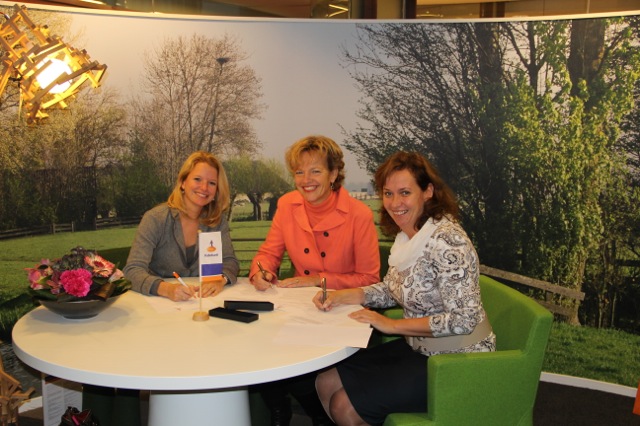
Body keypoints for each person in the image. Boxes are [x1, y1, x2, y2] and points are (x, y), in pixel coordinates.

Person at [314, 151, 496, 426]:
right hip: (420, 348)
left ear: (428, 192)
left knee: (344, 406)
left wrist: (392, 325)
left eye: (405, 193)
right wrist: (348, 295)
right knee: (325, 380)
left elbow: (464, 319)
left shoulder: (448, 242)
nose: (394, 203)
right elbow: (393, 289)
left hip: (458, 359)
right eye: (388, 193)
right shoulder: (409, 236)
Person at [249, 135, 381, 426]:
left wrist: (318, 280)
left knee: (301, 368)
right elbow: (268, 253)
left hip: (346, 311)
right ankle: (280, 410)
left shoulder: (358, 214)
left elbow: (370, 280)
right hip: (303, 309)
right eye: (299, 171)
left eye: (315, 171)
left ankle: (319, 417)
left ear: (334, 174)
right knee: (261, 345)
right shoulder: (287, 205)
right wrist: (262, 271)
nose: (305, 180)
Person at [124, 151, 239, 301]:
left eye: (212, 183)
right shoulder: (155, 218)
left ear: (217, 190)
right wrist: (166, 289)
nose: (204, 187)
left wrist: (220, 280)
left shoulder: (217, 221)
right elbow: (132, 270)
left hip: (203, 302)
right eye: (197, 179)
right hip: (159, 303)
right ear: (183, 182)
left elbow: (230, 262)